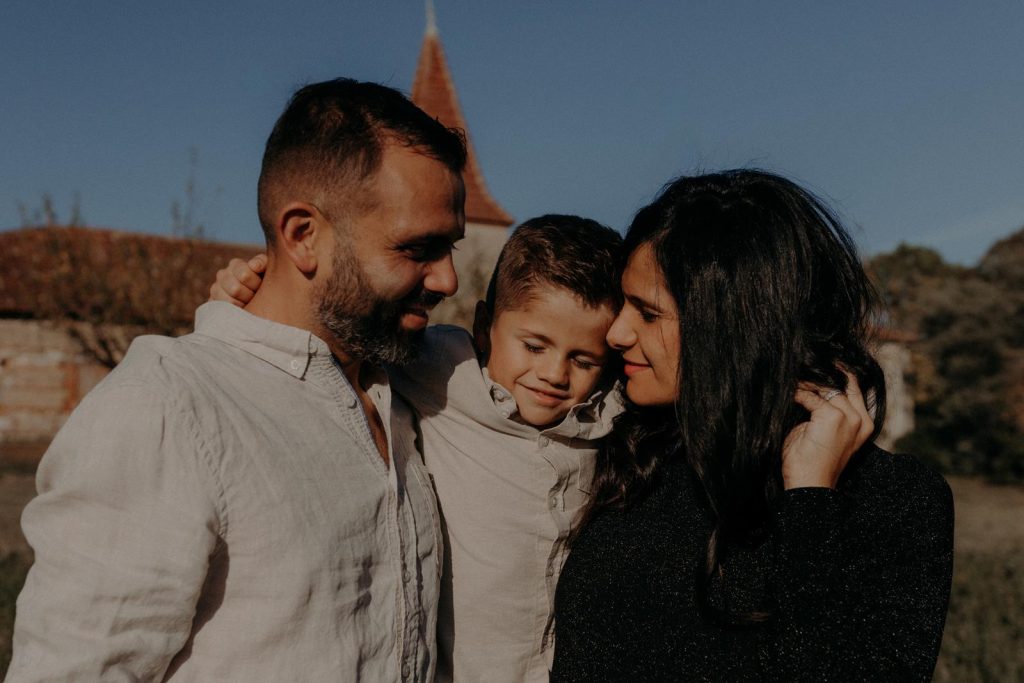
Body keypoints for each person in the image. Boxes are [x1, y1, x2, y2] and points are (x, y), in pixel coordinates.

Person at [9, 78, 466, 680]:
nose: (449, 281)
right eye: (418, 249)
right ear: (304, 236)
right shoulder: (167, 406)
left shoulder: (413, 387)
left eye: (452, 246)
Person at [550, 169, 955, 681]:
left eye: (648, 313)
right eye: (622, 302)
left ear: (734, 329)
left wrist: (809, 499)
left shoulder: (896, 500)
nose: (616, 332)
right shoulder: (627, 453)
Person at [211, 215, 627, 682]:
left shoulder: (611, 416)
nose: (554, 373)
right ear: (486, 325)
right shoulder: (441, 370)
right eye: (534, 346)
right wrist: (241, 302)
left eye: (582, 359)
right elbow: (325, 345)